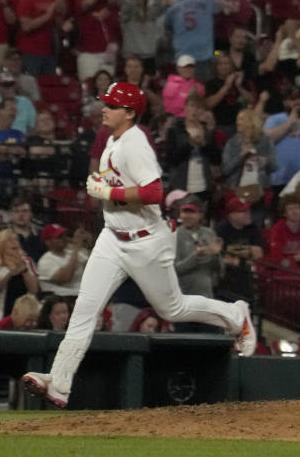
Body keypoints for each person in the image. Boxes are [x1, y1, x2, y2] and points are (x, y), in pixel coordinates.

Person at [22, 82, 256, 409]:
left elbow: (153, 192)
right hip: (112, 238)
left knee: (171, 309)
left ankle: (235, 315)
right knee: (84, 311)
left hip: (145, 241)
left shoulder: (136, 143)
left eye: (113, 105)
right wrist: (104, 186)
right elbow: (121, 184)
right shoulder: (111, 141)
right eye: (105, 103)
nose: (104, 108)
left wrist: (110, 193)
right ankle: (59, 382)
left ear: (130, 113)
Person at [173, 196, 223, 333]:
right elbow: (174, 270)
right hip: (184, 301)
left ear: (200, 214)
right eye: (184, 212)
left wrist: (216, 255)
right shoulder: (174, 236)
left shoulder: (209, 233)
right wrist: (196, 256)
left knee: (209, 343)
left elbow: (218, 269)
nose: (187, 216)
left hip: (207, 300)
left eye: (192, 212)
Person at [36, 224, 88, 298]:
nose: (64, 239)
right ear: (48, 242)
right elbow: (65, 278)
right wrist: (76, 246)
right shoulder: (45, 260)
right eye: (59, 237)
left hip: (81, 295)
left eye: (64, 236)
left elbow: (92, 267)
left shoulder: (70, 253)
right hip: (62, 299)